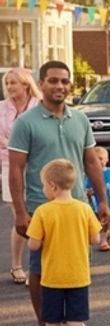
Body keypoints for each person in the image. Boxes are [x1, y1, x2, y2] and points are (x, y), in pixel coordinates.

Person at [9, 60, 109, 326]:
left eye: (65, 81)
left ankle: (71, 320)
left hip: (77, 206)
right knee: (41, 270)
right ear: (42, 84)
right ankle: (44, 325)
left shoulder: (80, 119)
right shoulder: (26, 123)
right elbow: (16, 169)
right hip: (42, 210)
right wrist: (20, 211)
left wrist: (102, 201)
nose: (60, 86)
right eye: (53, 81)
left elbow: (91, 161)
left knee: (76, 266)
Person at [27, 159, 101, 326]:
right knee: (76, 322)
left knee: (51, 323)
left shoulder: (43, 212)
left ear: (52, 185)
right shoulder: (84, 208)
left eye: (43, 185)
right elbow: (96, 238)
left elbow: (33, 245)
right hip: (78, 276)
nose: (43, 189)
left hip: (52, 278)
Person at [0, 67, 40, 284]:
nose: (9, 87)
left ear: (25, 84)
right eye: (7, 83)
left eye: (13, 82)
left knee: (38, 215)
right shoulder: (1, 109)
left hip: (36, 165)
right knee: (20, 216)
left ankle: (37, 268)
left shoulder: (38, 107)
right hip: (10, 165)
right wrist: (12, 145)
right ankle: (16, 265)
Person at [84, 147, 110, 252]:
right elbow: (86, 187)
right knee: (100, 222)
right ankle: (103, 241)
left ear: (107, 159)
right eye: (97, 159)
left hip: (109, 202)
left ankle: (105, 234)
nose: (99, 162)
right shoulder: (92, 174)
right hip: (96, 203)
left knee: (108, 222)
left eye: (101, 158)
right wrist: (88, 192)